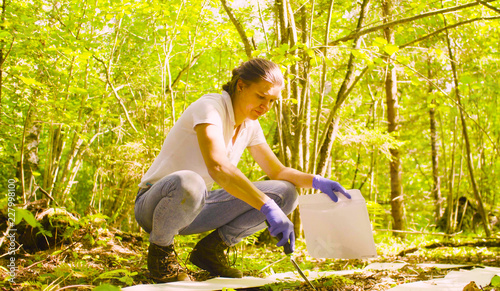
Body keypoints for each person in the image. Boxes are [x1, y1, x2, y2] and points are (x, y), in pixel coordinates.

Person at [134, 58, 351, 282]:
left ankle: (211, 251)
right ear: (240, 85)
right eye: (261, 96)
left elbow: (277, 171)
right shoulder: (210, 108)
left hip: (197, 208)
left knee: (286, 192)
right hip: (155, 204)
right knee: (190, 182)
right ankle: (161, 254)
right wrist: (266, 206)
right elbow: (217, 166)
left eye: (272, 101)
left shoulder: (250, 125)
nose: (266, 106)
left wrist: (316, 181)